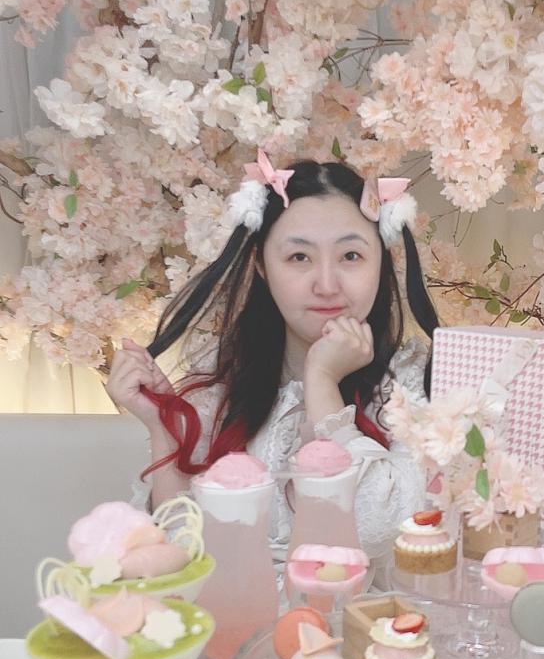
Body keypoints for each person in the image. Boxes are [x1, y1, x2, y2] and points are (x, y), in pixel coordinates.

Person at [105, 154, 440, 582]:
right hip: (234, 617)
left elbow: (379, 527)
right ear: (262, 266)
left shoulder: (413, 385)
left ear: (382, 263)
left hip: (360, 619)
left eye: (351, 255)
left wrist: (322, 384)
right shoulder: (224, 378)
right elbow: (180, 556)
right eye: (299, 257)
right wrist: (164, 427)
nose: (326, 284)